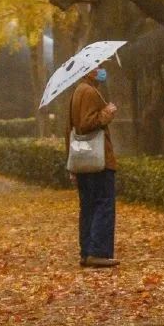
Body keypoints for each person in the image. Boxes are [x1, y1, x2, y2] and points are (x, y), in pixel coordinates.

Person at [67, 66, 118, 268]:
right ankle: (98, 252)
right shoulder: (88, 91)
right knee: (103, 203)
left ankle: (87, 251)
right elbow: (86, 123)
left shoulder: (77, 92)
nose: (102, 70)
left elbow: (70, 128)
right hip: (97, 159)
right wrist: (107, 113)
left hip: (83, 159)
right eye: (98, 67)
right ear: (88, 71)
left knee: (87, 206)